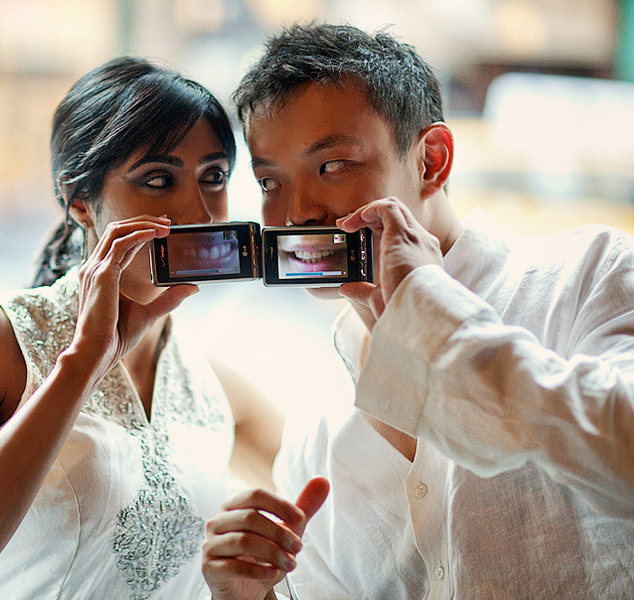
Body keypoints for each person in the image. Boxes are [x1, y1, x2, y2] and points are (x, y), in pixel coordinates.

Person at [202, 23, 634, 600]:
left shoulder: (589, 275)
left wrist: (428, 312)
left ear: (431, 160)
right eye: (270, 180)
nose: (298, 212)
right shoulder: (314, 435)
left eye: (332, 166)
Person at [0, 57, 288, 600]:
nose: (198, 211)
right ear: (81, 202)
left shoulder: (213, 388)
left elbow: (338, 509)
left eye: (214, 177)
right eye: (158, 179)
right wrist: (83, 363)